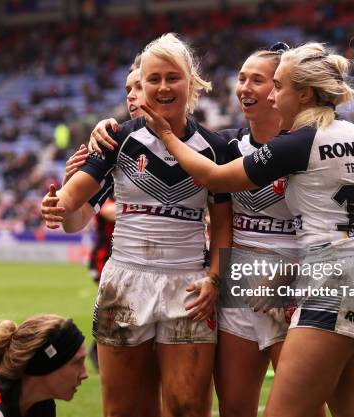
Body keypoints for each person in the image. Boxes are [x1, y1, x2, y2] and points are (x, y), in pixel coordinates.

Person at [141, 42, 354, 417]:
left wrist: (167, 136)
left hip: (326, 279)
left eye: (278, 86)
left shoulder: (300, 141)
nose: (272, 96)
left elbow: (215, 178)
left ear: (304, 93)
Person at [86, 43, 304, 417]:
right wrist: (110, 127)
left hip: (289, 284)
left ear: (281, 89)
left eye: (258, 80)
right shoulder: (230, 146)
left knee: (300, 406)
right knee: (232, 408)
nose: (245, 88)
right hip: (237, 286)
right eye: (241, 79)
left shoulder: (307, 147)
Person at [42, 33, 231, 417]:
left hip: (188, 285)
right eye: (153, 79)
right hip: (126, 282)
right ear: (140, 87)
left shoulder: (216, 148)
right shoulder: (117, 139)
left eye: (172, 77)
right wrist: (55, 205)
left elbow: (225, 226)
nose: (163, 87)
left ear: (191, 83)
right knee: (124, 410)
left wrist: (215, 278)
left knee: (188, 407)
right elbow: (72, 198)